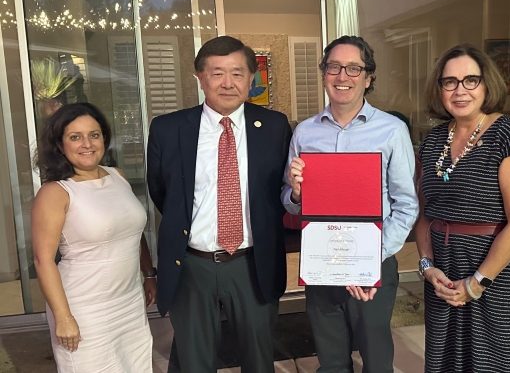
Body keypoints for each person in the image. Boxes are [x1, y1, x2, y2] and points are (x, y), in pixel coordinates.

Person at [147, 35, 292, 373]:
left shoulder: (273, 126)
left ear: (251, 79)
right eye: (217, 73)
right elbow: (162, 192)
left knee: (259, 358)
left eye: (238, 73)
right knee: (195, 361)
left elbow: (281, 192)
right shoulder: (169, 129)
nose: (228, 83)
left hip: (251, 263)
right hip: (192, 263)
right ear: (200, 77)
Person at [283, 35, 419, 373]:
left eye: (353, 68)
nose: (342, 76)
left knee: (375, 358)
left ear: (368, 78)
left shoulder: (391, 130)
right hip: (322, 263)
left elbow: (405, 205)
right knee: (330, 360)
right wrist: (297, 193)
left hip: (373, 264)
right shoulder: (305, 133)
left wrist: (370, 261)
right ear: (324, 73)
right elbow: (289, 201)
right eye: (334, 67)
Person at [415, 44, 510, 373]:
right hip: (443, 278)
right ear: (439, 88)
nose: (460, 91)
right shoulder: (433, 141)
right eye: (450, 82)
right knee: (446, 362)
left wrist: (476, 283)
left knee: (493, 363)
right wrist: (427, 266)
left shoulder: (509, 135)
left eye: (470, 80)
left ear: (487, 85)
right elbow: (424, 212)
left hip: (497, 277)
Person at [32, 102, 156, 372]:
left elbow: (133, 232)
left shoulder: (117, 176)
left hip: (129, 301)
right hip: (83, 307)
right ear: (60, 145)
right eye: (75, 137)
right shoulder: (56, 192)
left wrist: (149, 273)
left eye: (94, 134)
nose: (87, 144)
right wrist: (63, 318)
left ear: (104, 139)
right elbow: (43, 261)